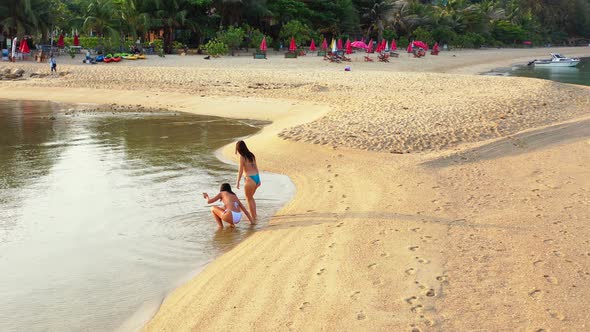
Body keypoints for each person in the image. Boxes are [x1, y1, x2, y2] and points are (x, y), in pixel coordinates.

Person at [235, 140, 261, 220]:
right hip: (256, 178)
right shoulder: (251, 155)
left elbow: (240, 170)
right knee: (251, 198)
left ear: (239, 149)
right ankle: (255, 216)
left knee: (248, 198)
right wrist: (259, 180)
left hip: (249, 179)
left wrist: (238, 182)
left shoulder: (242, 157)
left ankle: (252, 218)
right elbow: (256, 167)